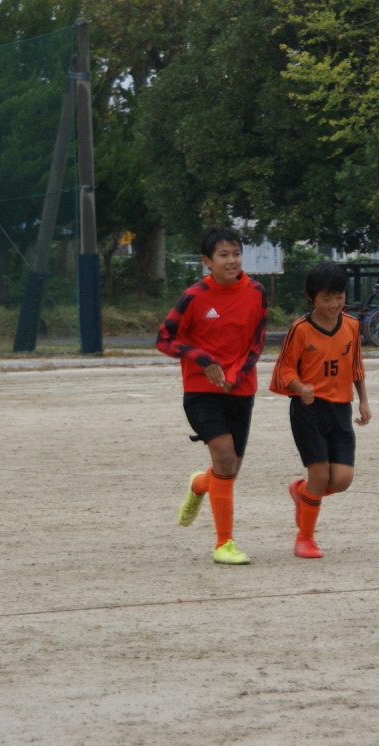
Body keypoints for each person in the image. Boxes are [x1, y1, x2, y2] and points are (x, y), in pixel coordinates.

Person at [156, 227, 268, 565]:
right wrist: (202, 359)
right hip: (201, 392)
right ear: (207, 261)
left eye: (236, 253)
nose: (231, 260)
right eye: (223, 255)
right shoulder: (194, 296)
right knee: (223, 457)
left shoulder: (257, 292)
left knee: (229, 469)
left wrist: (235, 376)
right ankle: (224, 543)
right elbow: (164, 339)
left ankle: (199, 485)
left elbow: (257, 344)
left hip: (241, 390)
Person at [269, 262, 371, 558]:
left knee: (341, 480)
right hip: (308, 410)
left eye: (339, 296)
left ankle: (302, 492)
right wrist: (300, 387)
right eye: (326, 298)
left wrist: (363, 400)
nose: (334, 304)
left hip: (340, 410)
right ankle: (305, 538)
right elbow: (285, 369)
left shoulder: (351, 325)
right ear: (310, 297)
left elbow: (356, 366)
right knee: (320, 475)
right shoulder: (300, 329)